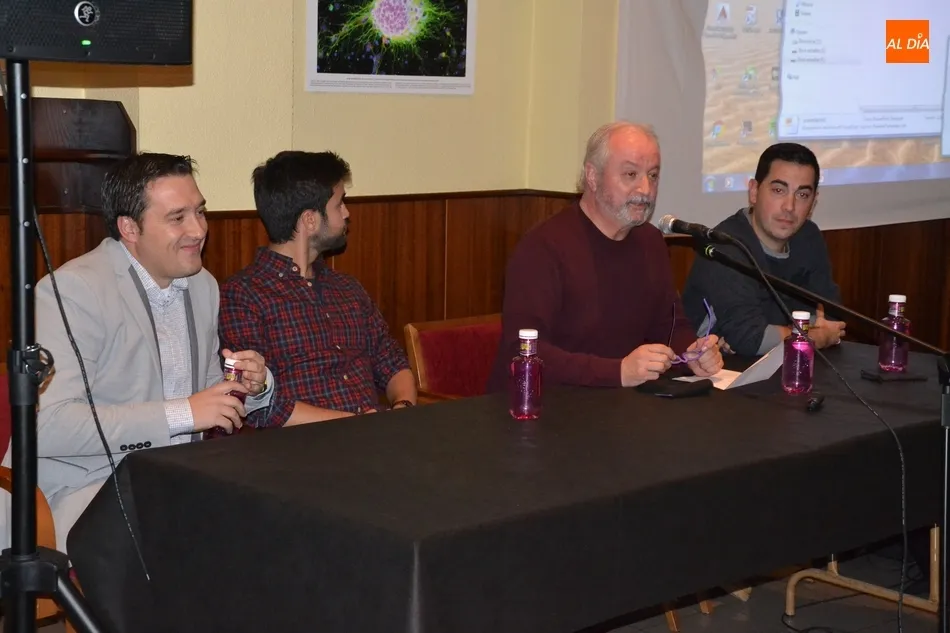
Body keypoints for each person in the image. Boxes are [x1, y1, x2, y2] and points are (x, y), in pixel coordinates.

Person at [4, 153, 276, 552]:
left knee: (277, 515)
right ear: (129, 228)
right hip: (78, 487)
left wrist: (251, 387)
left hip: (173, 478)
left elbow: (205, 397)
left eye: (200, 212)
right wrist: (184, 412)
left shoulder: (203, 285)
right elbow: (49, 427)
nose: (198, 229)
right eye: (177, 217)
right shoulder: (73, 291)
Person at [486, 121, 723, 392]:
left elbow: (668, 326)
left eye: (653, 175)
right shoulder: (543, 249)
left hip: (621, 407)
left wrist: (693, 352)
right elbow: (524, 352)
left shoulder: (650, 242)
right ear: (592, 176)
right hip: (541, 409)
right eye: (631, 174)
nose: (645, 189)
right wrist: (617, 371)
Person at [218, 150, 416, 427]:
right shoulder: (243, 296)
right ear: (310, 220)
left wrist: (402, 407)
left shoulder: (347, 288)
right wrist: (358, 425)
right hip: (304, 452)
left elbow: (392, 361)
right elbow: (259, 405)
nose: (347, 213)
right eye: (339, 204)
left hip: (376, 440)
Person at [681, 142, 846, 356]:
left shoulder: (808, 237)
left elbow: (832, 317)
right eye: (779, 190)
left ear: (814, 202)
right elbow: (751, 340)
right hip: (719, 376)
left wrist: (780, 335)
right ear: (754, 192)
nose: (789, 206)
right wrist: (815, 337)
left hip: (782, 367)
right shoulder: (726, 247)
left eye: (802, 195)